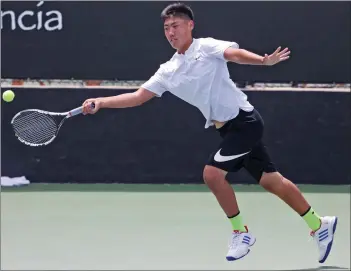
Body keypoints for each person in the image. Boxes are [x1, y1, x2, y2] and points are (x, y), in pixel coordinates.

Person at [82, 2, 337, 263]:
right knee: (271, 181)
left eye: (176, 26)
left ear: (190, 25)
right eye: (166, 28)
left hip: (245, 121)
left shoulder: (207, 47)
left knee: (212, 174)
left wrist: (263, 61)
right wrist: (101, 102)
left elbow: (234, 55)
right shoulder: (168, 70)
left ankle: (241, 233)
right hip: (227, 129)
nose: (171, 32)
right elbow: (138, 96)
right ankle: (320, 224)